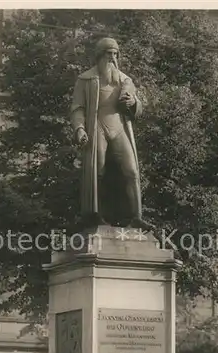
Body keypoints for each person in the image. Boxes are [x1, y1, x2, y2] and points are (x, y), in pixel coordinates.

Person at [70, 37, 152, 230]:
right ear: (99, 55)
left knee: (131, 171)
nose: (112, 58)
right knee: (97, 170)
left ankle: (136, 216)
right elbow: (77, 108)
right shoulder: (86, 79)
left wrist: (133, 104)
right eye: (108, 53)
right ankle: (94, 215)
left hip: (119, 127)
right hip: (97, 125)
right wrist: (79, 128)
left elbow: (137, 108)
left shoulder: (125, 80)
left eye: (115, 54)